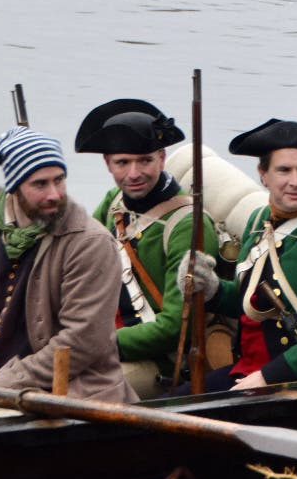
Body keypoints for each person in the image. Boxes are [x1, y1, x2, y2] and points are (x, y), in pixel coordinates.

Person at [0, 127, 135, 420]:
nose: (54, 194)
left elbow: (81, 341)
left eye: (59, 180)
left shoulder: (90, 241)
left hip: (72, 391)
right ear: (14, 186)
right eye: (40, 184)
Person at [181, 119, 297, 392]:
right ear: (263, 175)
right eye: (283, 170)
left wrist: (270, 376)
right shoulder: (260, 219)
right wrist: (212, 290)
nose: (295, 182)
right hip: (249, 368)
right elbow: (252, 303)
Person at [75, 99, 219, 399]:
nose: (134, 173)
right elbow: (80, 262)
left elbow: (172, 329)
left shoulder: (187, 224)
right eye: (122, 163)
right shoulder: (114, 203)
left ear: (162, 157)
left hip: (161, 361)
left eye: (145, 160)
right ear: (107, 163)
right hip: (103, 336)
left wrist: (94, 344)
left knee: (71, 394)